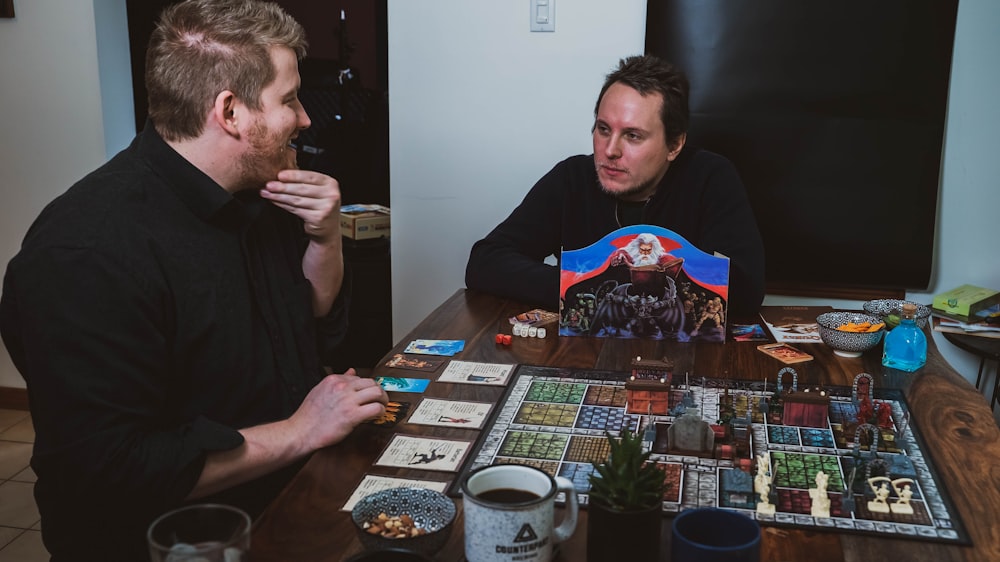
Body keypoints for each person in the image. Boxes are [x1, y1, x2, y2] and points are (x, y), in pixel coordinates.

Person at [0, 1, 387, 559]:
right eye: (290, 99)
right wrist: (302, 430)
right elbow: (112, 468)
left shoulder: (263, 192)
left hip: (284, 506)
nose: (304, 118)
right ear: (230, 112)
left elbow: (314, 324)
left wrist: (325, 236)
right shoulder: (86, 251)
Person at [465, 55, 765, 318]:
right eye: (603, 129)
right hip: (583, 357)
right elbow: (485, 262)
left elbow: (746, 290)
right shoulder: (571, 178)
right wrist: (583, 285)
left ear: (674, 145)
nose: (610, 150)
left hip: (680, 359)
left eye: (633, 136)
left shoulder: (710, 177)